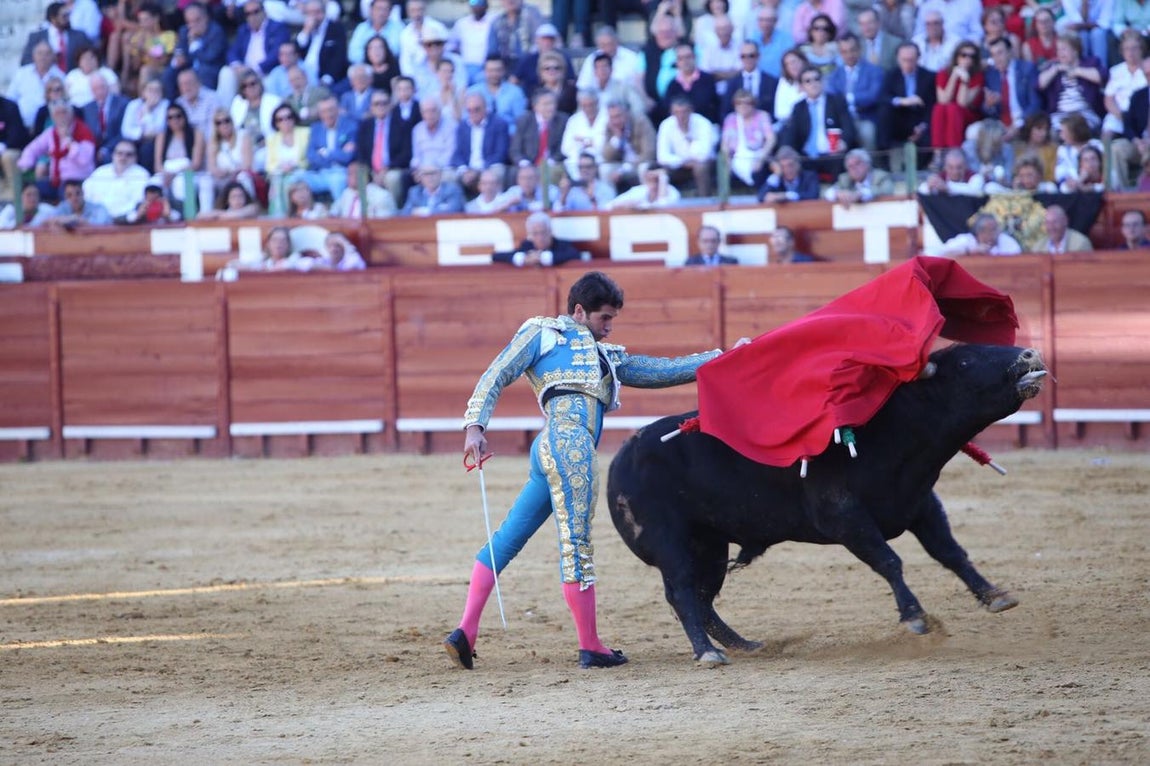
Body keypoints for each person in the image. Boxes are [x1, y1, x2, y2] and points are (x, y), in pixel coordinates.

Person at [444, 271, 743, 671]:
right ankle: (591, 647)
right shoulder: (543, 331)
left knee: (508, 538)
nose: (609, 327)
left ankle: (465, 631)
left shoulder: (608, 356)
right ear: (580, 311)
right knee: (577, 545)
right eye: (605, 318)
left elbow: (663, 370)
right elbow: (497, 374)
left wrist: (723, 356)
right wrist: (474, 426)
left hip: (549, 449)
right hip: (570, 446)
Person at [780, 66, 856, 176]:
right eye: (808, 81)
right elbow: (791, 133)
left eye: (817, 79)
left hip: (832, 155)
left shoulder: (836, 101)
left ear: (823, 81)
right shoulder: (798, 107)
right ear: (801, 86)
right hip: (806, 156)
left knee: (842, 161)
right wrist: (787, 151)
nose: (813, 84)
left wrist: (844, 142)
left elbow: (848, 126)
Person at [18, 99, 96, 203]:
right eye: (57, 113)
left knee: (67, 191)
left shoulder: (83, 131)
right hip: (55, 180)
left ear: (71, 114)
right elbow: (33, 148)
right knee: (30, 190)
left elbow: (84, 159)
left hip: (77, 180)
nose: (61, 116)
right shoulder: (51, 132)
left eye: (64, 112)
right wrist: (26, 162)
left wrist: (69, 142)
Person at [880, 41, 938, 158]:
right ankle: (883, 159)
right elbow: (883, 97)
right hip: (899, 119)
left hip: (920, 120)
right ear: (898, 59)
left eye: (911, 60)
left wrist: (922, 126)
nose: (908, 64)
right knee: (884, 111)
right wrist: (902, 101)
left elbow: (932, 105)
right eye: (904, 60)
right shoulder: (891, 75)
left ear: (918, 58)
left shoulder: (929, 77)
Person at [655, 97, 717, 197]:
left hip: (703, 165)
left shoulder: (703, 123)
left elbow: (705, 154)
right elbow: (662, 157)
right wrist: (682, 162)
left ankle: (704, 201)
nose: (681, 116)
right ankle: (663, 205)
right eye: (677, 112)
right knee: (657, 171)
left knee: (700, 167)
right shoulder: (666, 125)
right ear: (671, 112)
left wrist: (689, 159)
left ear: (691, 110)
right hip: (677, 165)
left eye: (684, 112)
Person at [931, 42, 985, 150]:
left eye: (972, 56)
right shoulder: (943, 73)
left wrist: (965, 80)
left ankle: (954, 150)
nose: (967, 59)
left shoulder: (978, 76)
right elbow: (943, 100)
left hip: (968, 115)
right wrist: (954, 76)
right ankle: (938, 153)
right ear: (956, 56)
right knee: (939, 108)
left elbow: (962, 103)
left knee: (953, 108)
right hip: (947, 114)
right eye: (963, 55)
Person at [303, 95, 357, 200]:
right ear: (319, 113)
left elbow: (347, 157)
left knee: (337, 180)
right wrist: (336, 154)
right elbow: (310, 156)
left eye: (331, 110)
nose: (328, 114)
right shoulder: (316, 128)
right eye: (323, 111)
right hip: (320, 173)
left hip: (341, 172)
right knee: (295, 178)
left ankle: (341, 214)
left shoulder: (351, 126)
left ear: (338, 110)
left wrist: (325, 153)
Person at [720, 88, 775, 188]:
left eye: (747, 103)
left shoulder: (762, 116)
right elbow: (725, 144)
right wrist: (727, 160)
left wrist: (761, 159)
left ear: (753, 104)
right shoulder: (730, 119)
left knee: (769, 167)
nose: (743, 106)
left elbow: (771, 139)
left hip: (759, 154)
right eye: (739, 103)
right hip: (737, 157)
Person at [84, 140, 151, 220]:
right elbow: (86, 196)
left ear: (135, 158)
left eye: (128, 154)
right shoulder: (100, 172)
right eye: (119, 153)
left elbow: (140, 203)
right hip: (96, 220)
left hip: (126, 222)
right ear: (113, 155)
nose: (123, 157)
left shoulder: (142, 175)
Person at [600, 100, 657, 193]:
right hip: (621, 165)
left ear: (626, 114)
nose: (615, 121)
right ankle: (609, 202)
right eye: (612, 117)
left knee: (644, 167)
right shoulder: (609, 126)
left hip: (639, 163)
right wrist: (617, 138)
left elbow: (649, 153)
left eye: (618, 116)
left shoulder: (641, 122)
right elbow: (606, 156)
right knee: (605, 169)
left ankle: (647, 200)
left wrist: (624, 169)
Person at [491, 211, 580, 266]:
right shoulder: (527, 245)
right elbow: (495, 256)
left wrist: (543, 258)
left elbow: (575, 254)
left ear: (550, 231)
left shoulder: (562, 245)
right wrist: (523, 258)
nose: (540, 238)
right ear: (530, 235)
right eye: (535, 234)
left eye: (543, 232)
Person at [294, 0, 349, 88]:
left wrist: (328, 78)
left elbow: (339, 56)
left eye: (317, 12)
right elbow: (295, 50)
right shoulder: (305, 29)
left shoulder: (335, 28)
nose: (314, 17)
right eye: (310, 13)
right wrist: (306, 31)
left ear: (324, 12)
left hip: (326, 77)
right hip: (304, 76)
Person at [329, 161, 397, 218]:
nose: (348, 178)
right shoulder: (347, 193)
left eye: (352, 174)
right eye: (348, 174)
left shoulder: (381, 196)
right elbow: (333, 214)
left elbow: (384, 225)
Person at [824, 148, 893, 203]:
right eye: (850, 166)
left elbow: (886, 191)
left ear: (867, 164)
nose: (854, 168)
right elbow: (828, 193)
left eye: (857, 164)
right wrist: (838, 194)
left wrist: (860, 194)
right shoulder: (844, 178)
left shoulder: (881, 176)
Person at [936, 212, 1022, 256]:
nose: (994, 233)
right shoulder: (965, 240)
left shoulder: (1005, 240)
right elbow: (941, 254)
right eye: (990, 230)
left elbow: (1018, 258)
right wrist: (969, 252)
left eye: (995, 229)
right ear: (979, 232)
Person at [39, 178, 112, 228]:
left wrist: (77, 220)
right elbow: (42, 223)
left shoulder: (98, 208)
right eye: (69, 195)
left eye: (77, 193)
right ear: (65, 196)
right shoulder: (62, 207)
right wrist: (61, 220)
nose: (74, 198)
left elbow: (101, 226)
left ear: (83, 193)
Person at [606, 164, 682, 209]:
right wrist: (625, 205)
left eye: (656, 180)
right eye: (649, 180)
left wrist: (663, 178)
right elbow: (609, 206)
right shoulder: (639, 191)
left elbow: (662, 205)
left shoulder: (672, 192)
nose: (653, 184)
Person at [918, 148, 985, 196]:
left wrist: (947, 187)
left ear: (965, 166)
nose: (955, 171)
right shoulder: (940, 177)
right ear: (945, 166)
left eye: (959, 167)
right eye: (951, 167)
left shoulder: (975, 177)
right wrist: (929, 186)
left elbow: (974, 191)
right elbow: (921, 190)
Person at [197, 179, 262, 219]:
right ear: (227, 200)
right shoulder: (222, 211)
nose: (238, 200)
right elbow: (200, 216)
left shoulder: (252, 208)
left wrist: (221, 215)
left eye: (240, 196)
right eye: (234, 196)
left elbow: (235, 216)